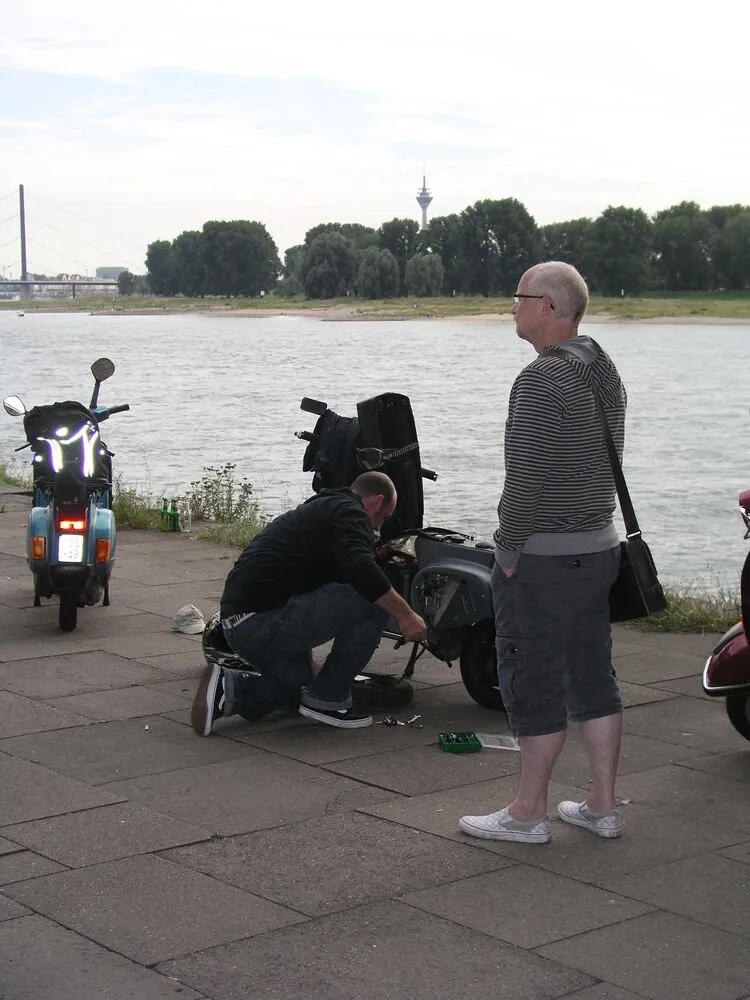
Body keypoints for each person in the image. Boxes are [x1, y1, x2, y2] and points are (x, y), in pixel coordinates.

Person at [459, 261, 626, 844]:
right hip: (600, 548)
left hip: (546, 561)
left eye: (520, 296)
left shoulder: (540, 380)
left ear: (547, 307)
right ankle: (602, 805)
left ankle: (528, 813)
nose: (512, 305)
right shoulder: (600, 366)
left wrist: (506, 552)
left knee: (532, 681)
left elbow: (524, 483)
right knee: (593, 679)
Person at [191, 471, 426, 734]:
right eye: (384, 517)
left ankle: (228, 690)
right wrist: (405, 615)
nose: (380, 527)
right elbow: (361, 569)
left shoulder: (323, 508)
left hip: (239, 624)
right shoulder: (351, 512)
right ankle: (330, 699)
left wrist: (308, 661)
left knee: (302, 691)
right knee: (373, 601)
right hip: (260, 620)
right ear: (376, 501)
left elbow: (307, 584)